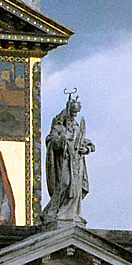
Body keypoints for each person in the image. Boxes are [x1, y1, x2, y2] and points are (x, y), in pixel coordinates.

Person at [41, 92, 94, 224]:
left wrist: (85, 149)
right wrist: (61, 141)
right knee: (64, 184)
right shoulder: (59, 126)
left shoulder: (77, 128)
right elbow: (51, 140)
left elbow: (87, 143)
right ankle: (54, 211)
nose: (74, 116)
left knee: (75, 188)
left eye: (76, 114)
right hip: (64, 161)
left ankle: (71, 213)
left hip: (76, 162)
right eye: (72, 113)